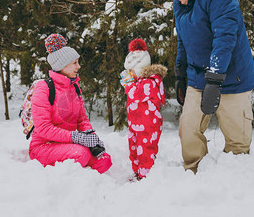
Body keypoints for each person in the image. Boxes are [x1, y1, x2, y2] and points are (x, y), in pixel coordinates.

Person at [161, 0, 254, 173]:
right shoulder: (180, 4)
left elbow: (224, 38)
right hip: (198, 78)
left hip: (233, 78)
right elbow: (183, 42)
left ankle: (236, 178)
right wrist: (180, 73)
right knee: (188, 128)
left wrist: (215, 79)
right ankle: (194, 171)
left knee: (237, 141)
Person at [29, 33, 112, 174]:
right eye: (75, 63)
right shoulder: (44, 88)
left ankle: (86, 182)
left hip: (68, 144)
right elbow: (43, 128)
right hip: (43, 146)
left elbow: (82, 119)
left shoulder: (74, 87)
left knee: (104, 160)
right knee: (81, 154)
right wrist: (76, 137)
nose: (78, 66)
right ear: (62, 65)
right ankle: (64, 184)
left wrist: (91, 137)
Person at [120, 38, 167, 179]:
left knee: (146, 151)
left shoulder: (151, 81)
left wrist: (127, 84)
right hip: (135, 124)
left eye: (131, 71)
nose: (129, 74)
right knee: (134, 148)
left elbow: (136, 93)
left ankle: (145, 175)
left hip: (148, 126)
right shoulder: (138, 81)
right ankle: (137, 171)